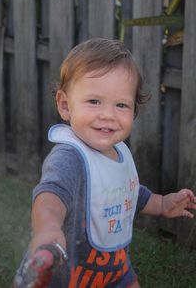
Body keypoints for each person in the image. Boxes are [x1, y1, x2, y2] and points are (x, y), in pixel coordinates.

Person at [14, 38, 196, 288]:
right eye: (94, 101)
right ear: (65, 106)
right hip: (71, 274)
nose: (108, 115)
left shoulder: (119, 151)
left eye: (121, 105)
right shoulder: (71, 156)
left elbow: (127, 192)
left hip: (116, 268)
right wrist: (48, 229)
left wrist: (162, 204)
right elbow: (50, 196)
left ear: (134, 111)